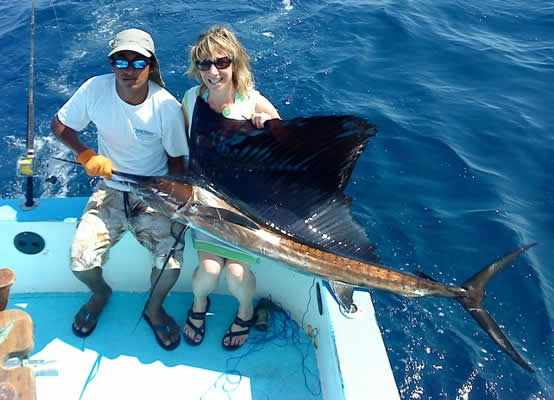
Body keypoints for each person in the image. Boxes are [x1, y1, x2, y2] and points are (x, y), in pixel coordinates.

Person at [51, 28, 188, 351]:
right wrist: (85, 154)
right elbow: (60, 124)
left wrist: (173, 199)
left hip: (152, 192)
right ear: (111, 64)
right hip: (110, 188)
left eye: (138, 62)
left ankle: (153, 309)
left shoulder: (166, 107)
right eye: (120, 61)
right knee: (79, 261)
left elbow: (177, 163)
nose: (129, 69)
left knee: (170, 264)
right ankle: (101, 294)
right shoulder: (95, 89)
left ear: (150, 65)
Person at [181, 25, 281, 350]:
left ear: (234, 62)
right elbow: (186, 146)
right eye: (204, 64)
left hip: (244, 208)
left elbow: (284, 138)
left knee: (237, 276)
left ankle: (246, 310)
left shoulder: (250, 101)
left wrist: (267, 126)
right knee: (207, 274)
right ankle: (199, 306)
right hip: (208, 207)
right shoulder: (191, 99)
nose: (213, 72)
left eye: (221, 62)